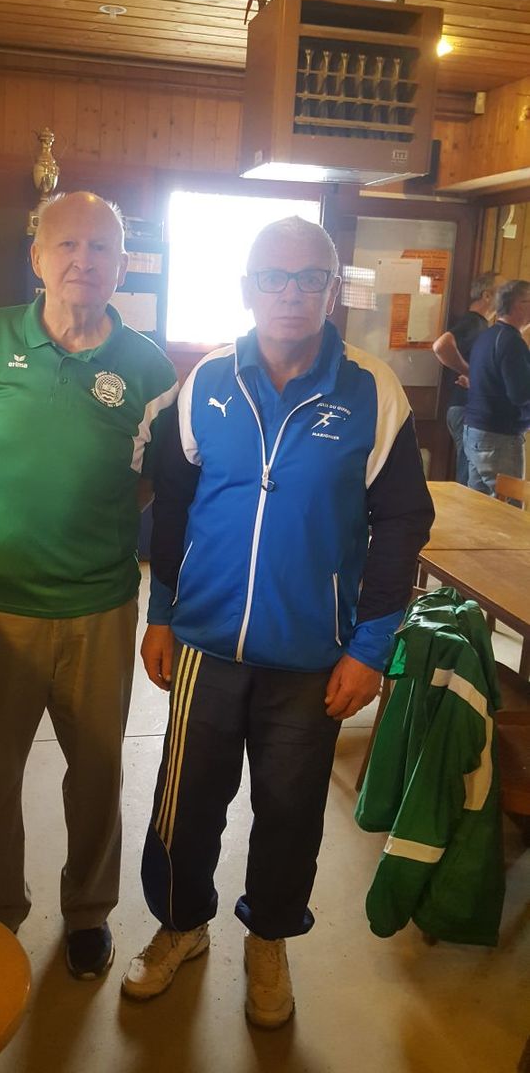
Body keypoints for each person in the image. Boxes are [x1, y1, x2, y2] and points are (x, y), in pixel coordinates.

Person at [122, 217, 434, 1027]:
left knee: (290, 814)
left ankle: (268, 938)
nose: (290, 293)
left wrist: (371, 648)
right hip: (204, 642)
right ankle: (180, 925)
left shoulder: (372, 392)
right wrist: (160, 614)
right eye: (274, 276)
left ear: (333, 291)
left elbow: (402, 522)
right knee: (185, 805)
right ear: (247, 288)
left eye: (309, 278)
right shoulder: (206, 382)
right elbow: (173, 506)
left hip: (311, 654)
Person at [0, 191, 177, 979]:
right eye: (67, 245)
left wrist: (80, 523)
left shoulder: (148, 368)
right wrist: (8, 520)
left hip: (97, 607)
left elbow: (148, 480)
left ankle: (88, 912)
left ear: (122, 263)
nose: (84, 261)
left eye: (101, 247)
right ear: (37, 257)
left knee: (99, 769)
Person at [463, 278, 530, 502]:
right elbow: (520, 394)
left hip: (475, 431)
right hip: (499, 438)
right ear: (519, 305)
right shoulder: (511, 342)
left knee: (478, 508)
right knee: (508, 514)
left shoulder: (487, 336)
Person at [432, 274, 495, 484]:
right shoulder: (473, 322)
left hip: (464, 408)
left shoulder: (483, 326)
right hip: (464, 407)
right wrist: (471, 373)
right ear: (487, 295)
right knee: (469, 477)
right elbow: (441, 346)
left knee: (470, 475)